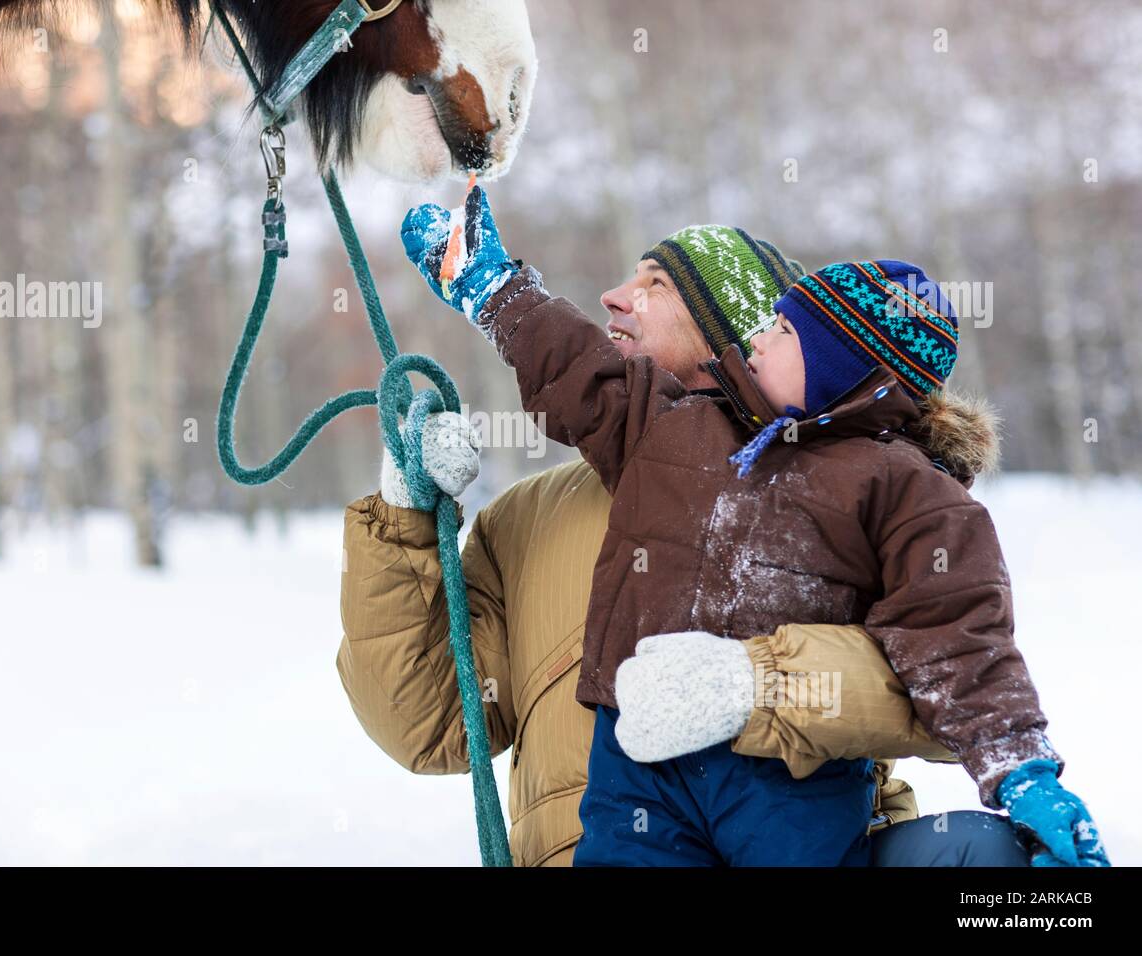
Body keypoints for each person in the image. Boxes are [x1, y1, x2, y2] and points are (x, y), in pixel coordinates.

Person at [395, 186, 1107, 867]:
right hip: (641, 759)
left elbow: (960, 638)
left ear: (844, 368)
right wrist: (493, 288)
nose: (762, 336)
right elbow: (581, 370)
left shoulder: (904, 488)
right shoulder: (675, 428)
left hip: (785, 772)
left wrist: (1022, 772)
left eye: (787, 330)